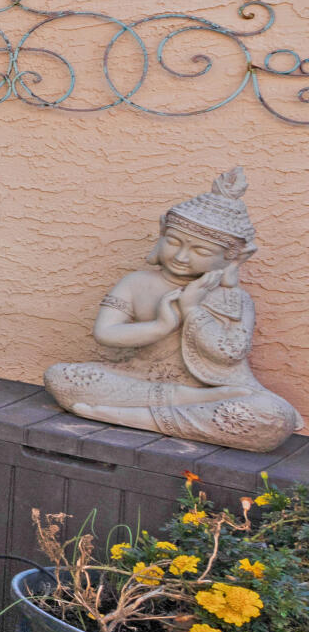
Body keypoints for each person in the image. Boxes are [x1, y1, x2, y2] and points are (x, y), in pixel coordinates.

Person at [46, 168, 299, 454]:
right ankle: (183, 401)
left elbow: (229, 353)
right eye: (174, 242)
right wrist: (161, 326)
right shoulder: (137, 283)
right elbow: (105, 333)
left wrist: (192, 309)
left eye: (200, 252)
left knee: (272, 418)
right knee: (60, 377)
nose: (181, 257)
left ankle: (124, 416)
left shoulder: (234, 299)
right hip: (140, 380)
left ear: (233, 258)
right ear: (162, 232)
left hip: (216, 390)